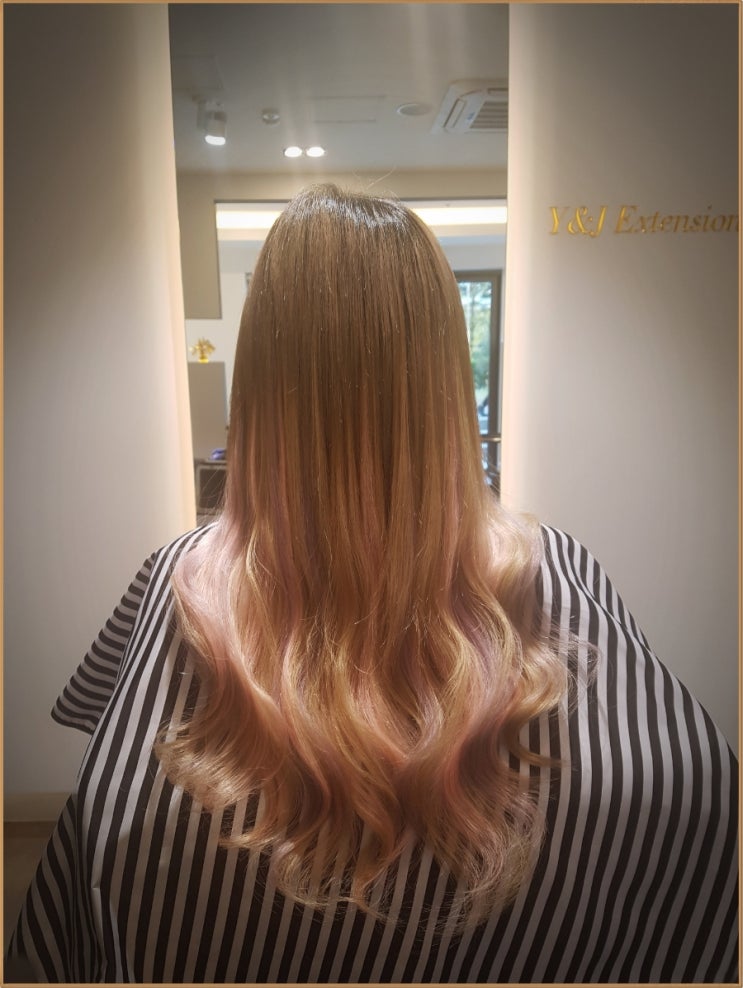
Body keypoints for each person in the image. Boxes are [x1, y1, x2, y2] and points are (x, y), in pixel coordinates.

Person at [7, 186, 737, 983]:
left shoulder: (174, 571)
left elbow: (98, 748)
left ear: (258, 379)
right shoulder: (561, 564)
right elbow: (696, 799)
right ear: (445, 376)